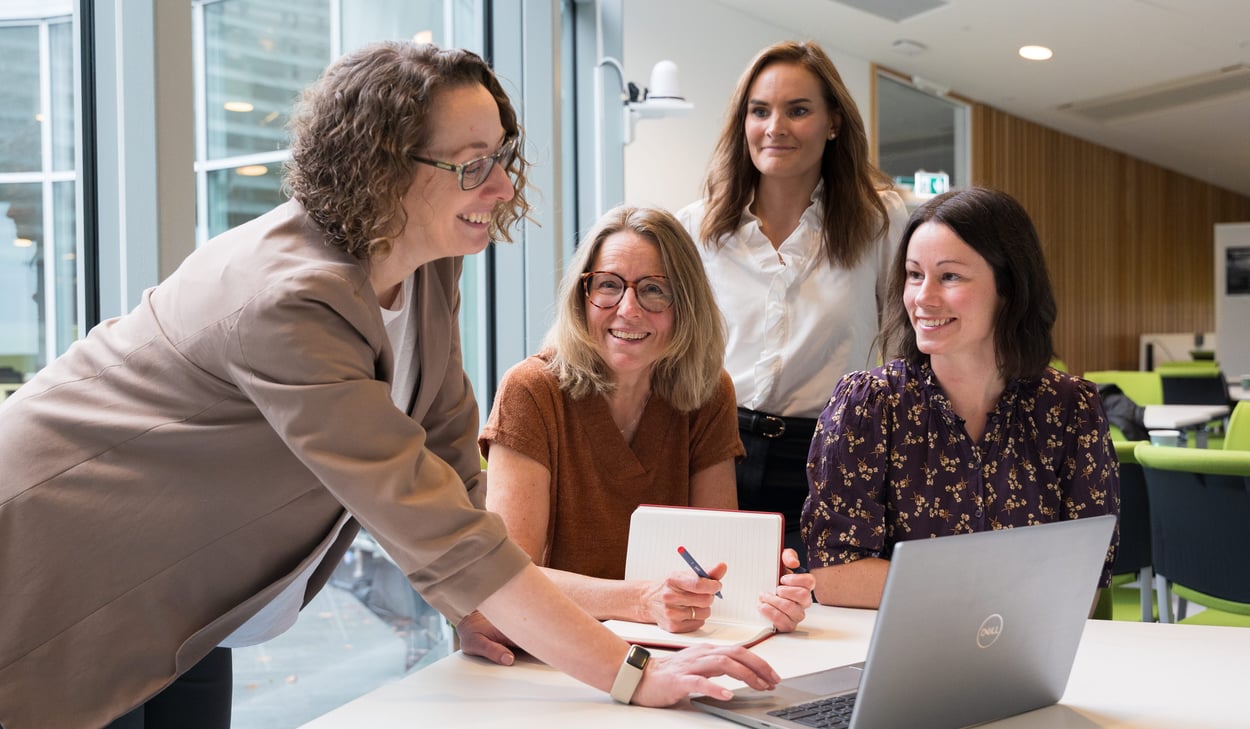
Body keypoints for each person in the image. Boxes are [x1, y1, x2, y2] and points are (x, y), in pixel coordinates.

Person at [0, 42, 781, 729]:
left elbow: (449, 461)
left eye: (502, 157)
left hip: (193, 590)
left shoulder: (427, 264)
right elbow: (428, 519)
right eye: (472, 165)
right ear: (379, 169)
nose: (503, 188)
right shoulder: (289, 301)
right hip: (61, 564)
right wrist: (631, 674)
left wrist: (469, 603)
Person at [464, 207, 812, 664]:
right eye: (608, 285)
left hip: (669, 650)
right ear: (582, 295)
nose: (628, 310)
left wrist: (767, 596)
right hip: (552, 653)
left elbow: (714, 561)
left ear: (684, 303)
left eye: (654, 290)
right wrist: (639, 599)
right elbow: (506, 579)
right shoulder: (531, 390)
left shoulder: (708, 392)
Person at [801, 187, 1120, 609]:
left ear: (1009, 287)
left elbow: (1086, 578)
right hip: (899, 655)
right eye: (915, 275)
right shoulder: (868, 405)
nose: (923, 298)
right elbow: (834, 574)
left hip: (1028, 656)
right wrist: (988, 589)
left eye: (949, 276)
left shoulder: (1071, 409)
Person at [677, 41, 908, 561]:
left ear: (833, 124)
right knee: (719, 601)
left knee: (822, 610)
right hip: (716, 447)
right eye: (759, 111)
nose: (774, 127)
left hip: (832, 450)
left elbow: (899, 344)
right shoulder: (697, 228)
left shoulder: (879, 221)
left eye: (797, 110)